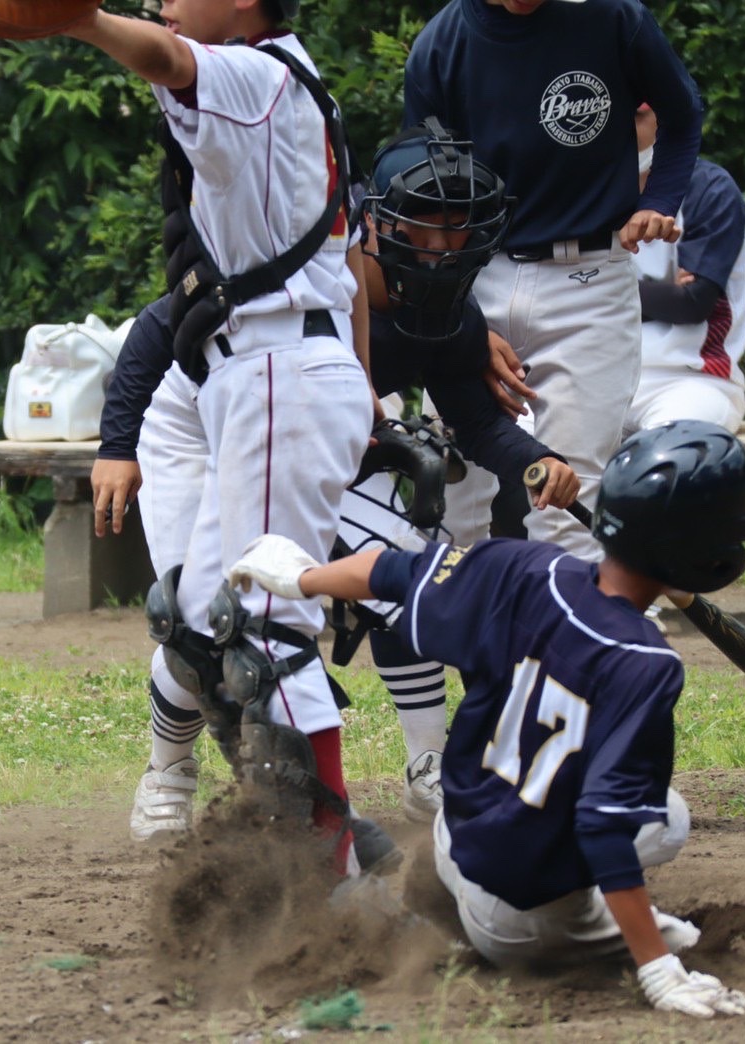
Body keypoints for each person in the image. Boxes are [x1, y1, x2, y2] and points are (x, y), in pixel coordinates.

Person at [99, 123, 581, 840]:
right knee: (200, 617)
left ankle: (429, 770)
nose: (444, 245)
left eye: (459, 227)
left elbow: (478, 424)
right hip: (196, 419)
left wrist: (538, 460)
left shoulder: (448, 314)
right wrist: (116, 446)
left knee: (403, 567)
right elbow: (150, 334)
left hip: (304, 428)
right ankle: (169, 769)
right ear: (375, 224)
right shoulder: (312, 266)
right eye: (427, 223)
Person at [224, 420, 745, 1018]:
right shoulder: (646, 662)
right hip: (523, 917)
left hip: (456, 836)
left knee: (662, 815)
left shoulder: (524, 567)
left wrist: (301, 578)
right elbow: (603, 826)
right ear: (702, 558)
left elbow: (390, 571)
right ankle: (596, 941)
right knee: (682, 918)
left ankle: (443, 894)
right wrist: (657, 968)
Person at [64, 0, 374, 869]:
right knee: (199, 626)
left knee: (268, 629)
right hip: (258, 372)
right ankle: (331, 840)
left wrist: (79, 20)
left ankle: (329, 868)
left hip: (280, 371)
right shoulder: (276, 78)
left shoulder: (259, 71)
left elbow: (168, 57)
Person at [404, 0, 704, 558]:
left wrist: (659, 198)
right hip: (475, 278)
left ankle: (556, 646)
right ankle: (449, 646)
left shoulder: (613, 18)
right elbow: (424, 206)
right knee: (448, 494)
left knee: (570, 496)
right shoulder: (442, 44)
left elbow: (683, 115)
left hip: (588, 281)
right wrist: (462, 325)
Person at [623, 104, 745, 436]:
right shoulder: (581, 190)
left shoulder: (710, 189)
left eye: (636, 117)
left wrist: (602, 289)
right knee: (532, 457)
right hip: (594, 376)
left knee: (668, 461)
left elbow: (692, 303)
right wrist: (662, 292)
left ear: (665, 123)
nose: (621, 129)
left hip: (690, 381)